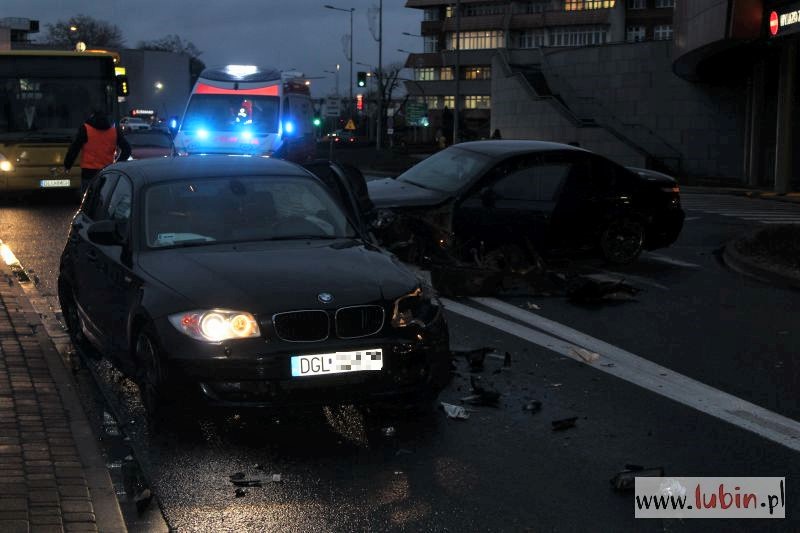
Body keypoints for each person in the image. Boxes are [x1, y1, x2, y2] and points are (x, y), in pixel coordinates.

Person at [64, 109, 132, 194]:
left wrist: (67, 165)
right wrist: (117, 164)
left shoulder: (86, 129)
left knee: (88, 198)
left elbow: (74, 148)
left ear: (92, 116)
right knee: (104, 198)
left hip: (88, 172)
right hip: (107, 171)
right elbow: (127, 149)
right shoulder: (114, 130)